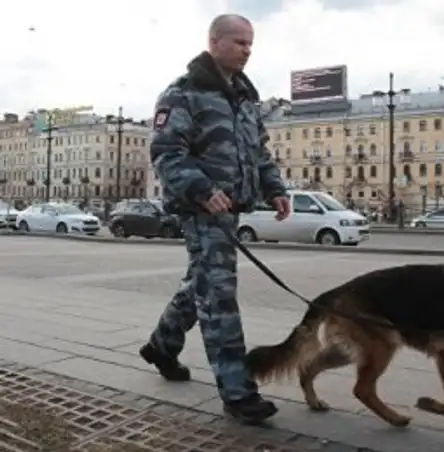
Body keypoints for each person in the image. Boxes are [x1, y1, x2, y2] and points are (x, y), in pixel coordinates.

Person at [138, 13, 290, 426]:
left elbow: (259, 152)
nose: (247, 50)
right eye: (240, 42)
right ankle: (238, 392)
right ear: (215, 42)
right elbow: (167, 153)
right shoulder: (184, 93)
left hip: (230, 208)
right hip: (200, 208)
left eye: (251, 44)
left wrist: (275, 188)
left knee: (200, 282)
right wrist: (203, 191)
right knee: (218, 294)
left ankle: (161, 346)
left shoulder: (244, 96)